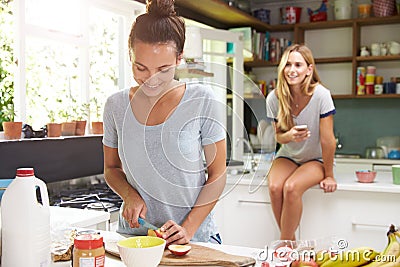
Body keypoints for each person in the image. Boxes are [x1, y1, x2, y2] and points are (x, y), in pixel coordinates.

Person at [102, 0, 226, 245]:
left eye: (163, 69)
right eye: (141, 68)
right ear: (130, 55)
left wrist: (188, 228)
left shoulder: (202, 99)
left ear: (179, 59)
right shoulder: (115, 106)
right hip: (136, 238)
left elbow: (217, 174)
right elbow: (112, 169)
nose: (151, 79)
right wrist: (129, 195)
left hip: (193, 239)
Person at [266, 44, 337, 241]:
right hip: (288, 155)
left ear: (309, 69)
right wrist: (290, 136)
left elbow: (328, 140)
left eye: (298, 64)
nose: (292, 70)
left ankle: (284, 244)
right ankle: (290, 243)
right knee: (274, 187)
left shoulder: (321, 95)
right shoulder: (274, 98)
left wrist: (329, 175)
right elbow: (279, 137)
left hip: (315, 159)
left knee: (291, 187)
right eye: (288, 64)